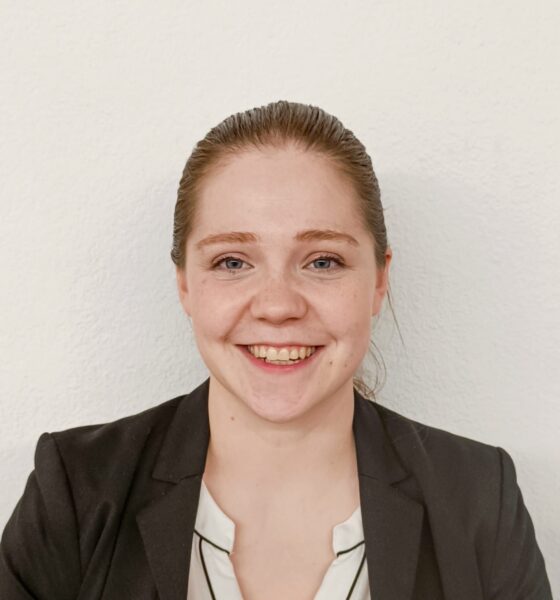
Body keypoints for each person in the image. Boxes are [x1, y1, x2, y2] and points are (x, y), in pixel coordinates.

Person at [0, 101, 552, 600]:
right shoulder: (75, 490)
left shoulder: (480, 498)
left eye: (323, 261)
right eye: (232, 262)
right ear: (185, 283)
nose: (278, 305)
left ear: (379, 280)